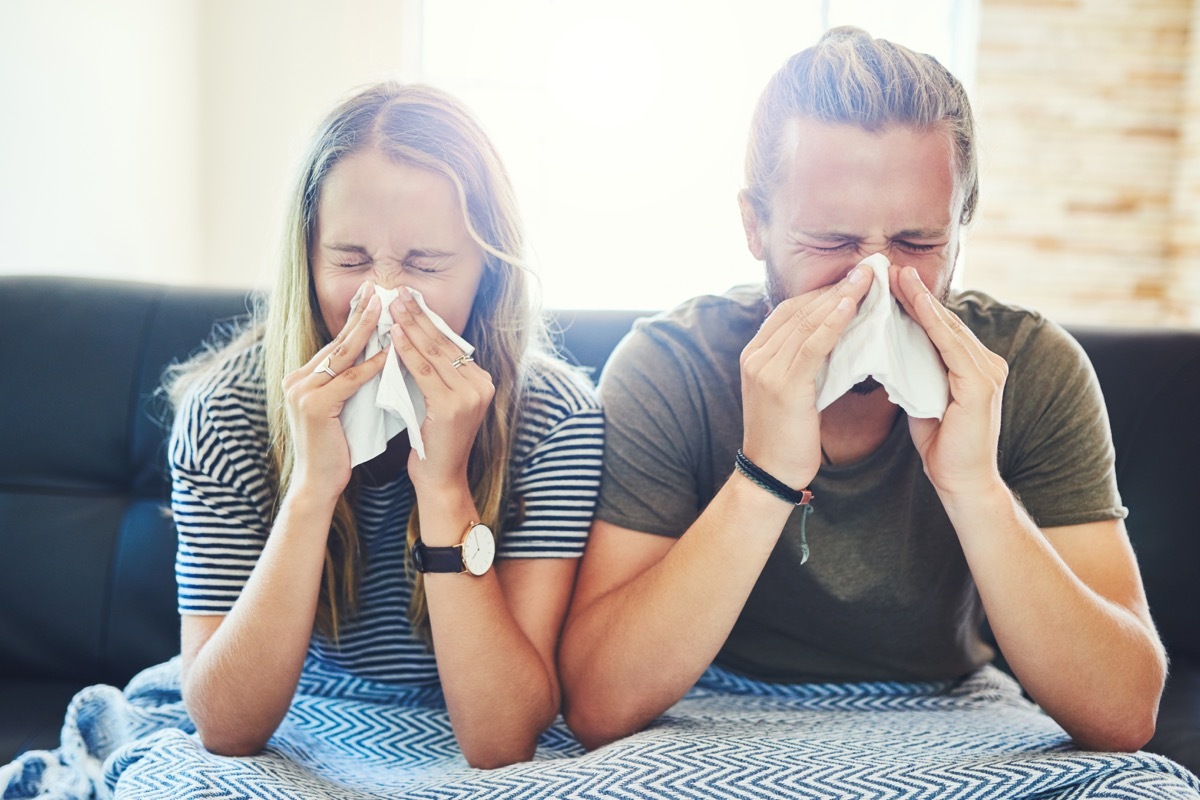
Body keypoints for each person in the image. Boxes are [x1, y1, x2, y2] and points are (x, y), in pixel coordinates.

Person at [558, 26, 1167, 754]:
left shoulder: (1030, 368)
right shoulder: (672, 366)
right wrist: (764, 478)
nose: (875, 283)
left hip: (954, 713)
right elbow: (596, 705)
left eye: (917, 243)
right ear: (755, 225)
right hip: (712, 709)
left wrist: (974, 487)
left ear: (961, 229)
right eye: (831, 243)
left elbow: (1125, 714)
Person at [165, 82, 603, 769]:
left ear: (488, 267)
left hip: (460, 731)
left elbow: (502, 739)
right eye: (349, 261)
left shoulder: (554, 417)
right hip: (295, 715)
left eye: (426, 264)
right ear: (306, 259)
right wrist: (312, 488)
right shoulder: (225, 410)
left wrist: (445, 488)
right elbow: (225, 729)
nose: (387, 298)